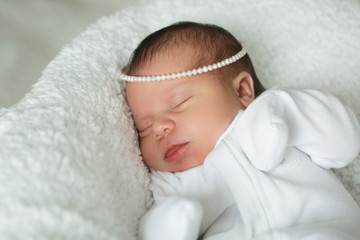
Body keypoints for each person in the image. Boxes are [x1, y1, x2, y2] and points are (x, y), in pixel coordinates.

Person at [120, 21, 360, 239]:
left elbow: (344, 145)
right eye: (144, 127)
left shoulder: (280, 116)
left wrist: (281, 112)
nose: (160, 129)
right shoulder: (173, 182)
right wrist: (171, 222)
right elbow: (159, 225)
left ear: (242, 91)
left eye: (179, 102)